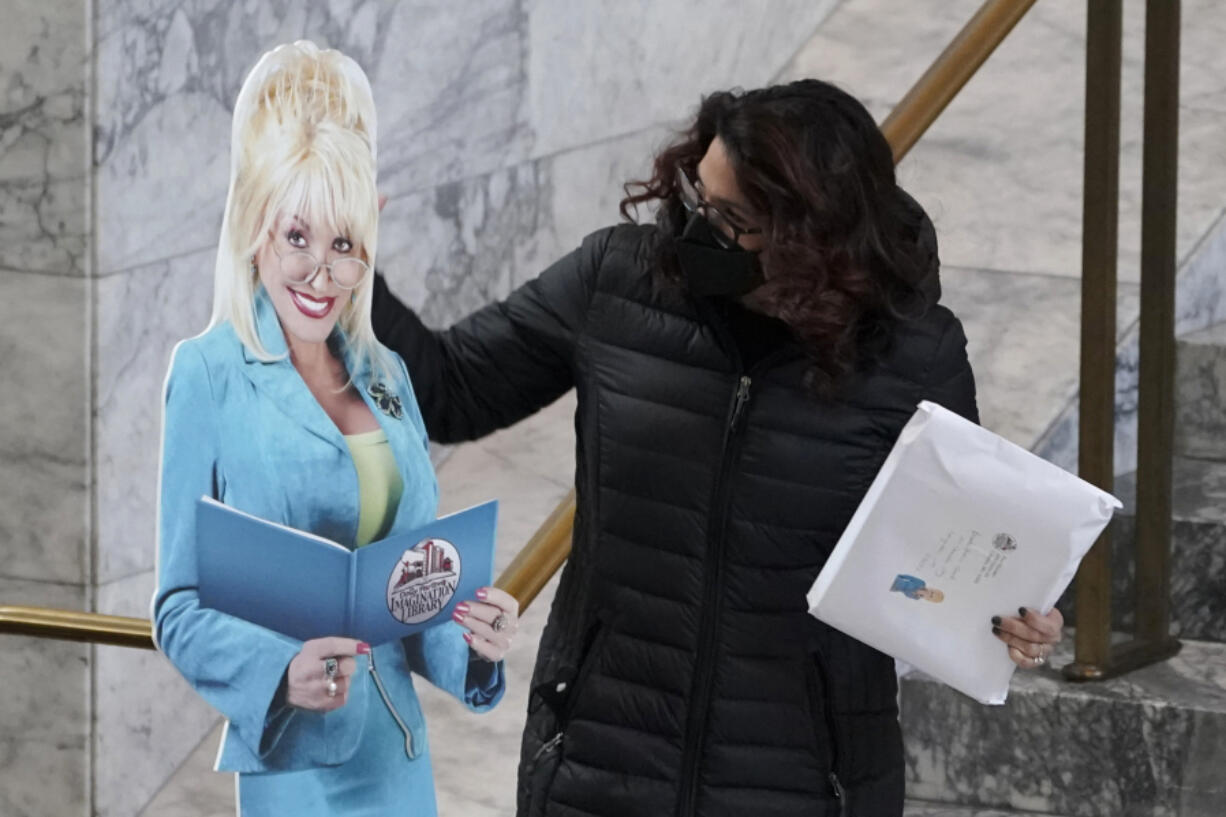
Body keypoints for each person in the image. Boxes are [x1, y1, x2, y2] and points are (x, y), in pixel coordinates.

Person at [370, 79, 1063, 817]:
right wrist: (347, 268)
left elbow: (961, 557)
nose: (697, 225)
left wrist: (1021, 619)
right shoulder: (616, 282)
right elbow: (446, 389)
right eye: (698, 195)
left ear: (808, 237)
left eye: (731, 218)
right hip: (599, 765)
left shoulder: (913, 356)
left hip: (806, 784)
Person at [151, 41, 518, 817]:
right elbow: (177, 606)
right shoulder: (208, 374)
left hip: (399, 758)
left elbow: (412, 595)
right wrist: (282, 669)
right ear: (255, 227)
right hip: (296, 767)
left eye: (344, 246)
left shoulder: (386, 374)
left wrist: (474, 637)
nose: (321, 275)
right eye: (297, 238)